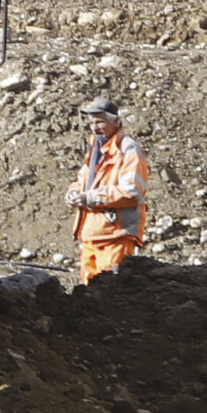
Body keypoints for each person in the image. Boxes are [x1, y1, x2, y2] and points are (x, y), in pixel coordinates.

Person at [69, 99, 151, 283]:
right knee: (87, 293)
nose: (94, 127)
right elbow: (83, 179)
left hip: (116, 236)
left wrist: (90, 197)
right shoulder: (96, 148)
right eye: (91, 122)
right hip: (91, 234)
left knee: (111, 293)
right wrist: (73, 192)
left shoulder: (129, 149)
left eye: (99, 121)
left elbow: (131, 192)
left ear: (115, 121)